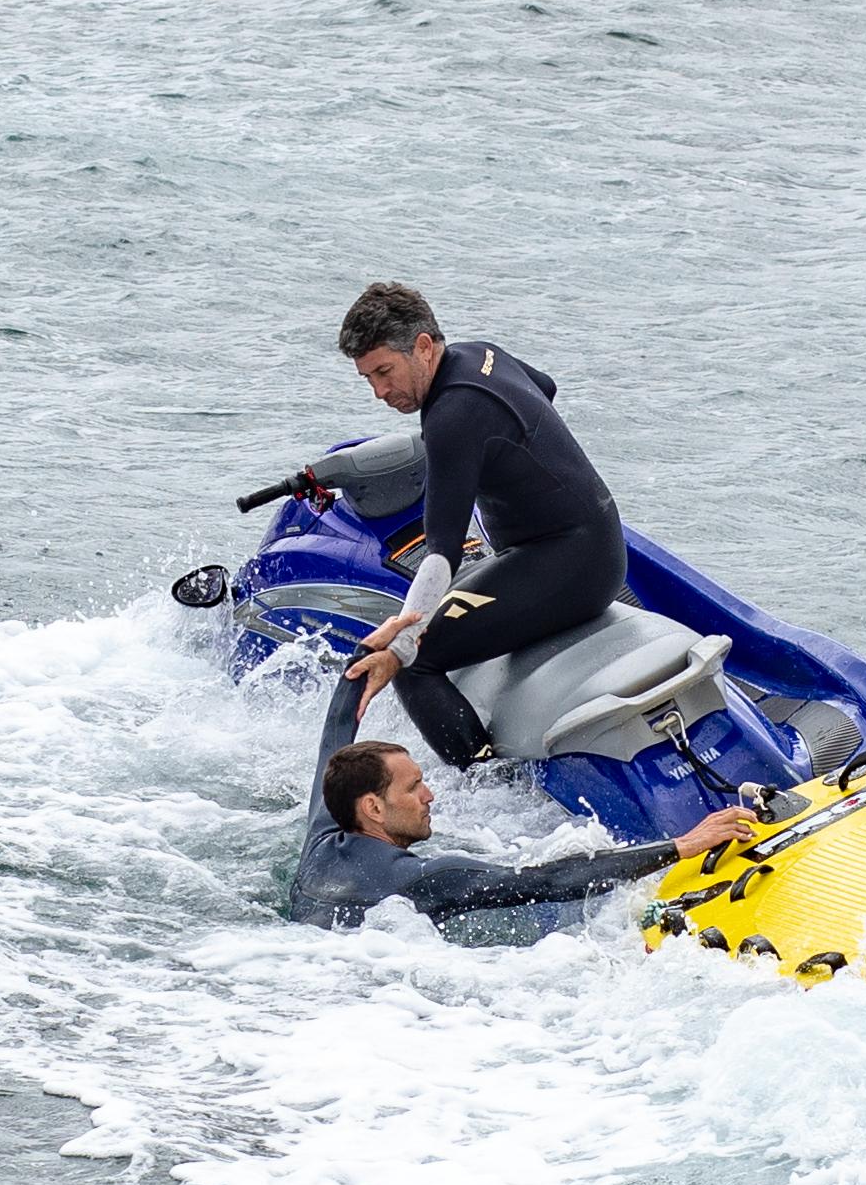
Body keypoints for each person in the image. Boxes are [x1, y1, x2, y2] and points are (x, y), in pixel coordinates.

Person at [334, 280, 626, 771]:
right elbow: (545, 385)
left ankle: (486, 781)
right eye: (368, 379)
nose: (381, 392)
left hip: (569, 566)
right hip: (591, 540)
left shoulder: (451, 416)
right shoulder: (478, 354)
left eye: (385, 372)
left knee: (414, 660)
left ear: (423, 347)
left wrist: (401, 644)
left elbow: (442, 550)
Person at [287, 670, 751, 931]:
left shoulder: (322, 841)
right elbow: (547, 879)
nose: (429, 794)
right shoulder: (421, 878)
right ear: (372, 808)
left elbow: (333, 743)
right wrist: (681, 846)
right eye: (412, 788)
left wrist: (364, 663)